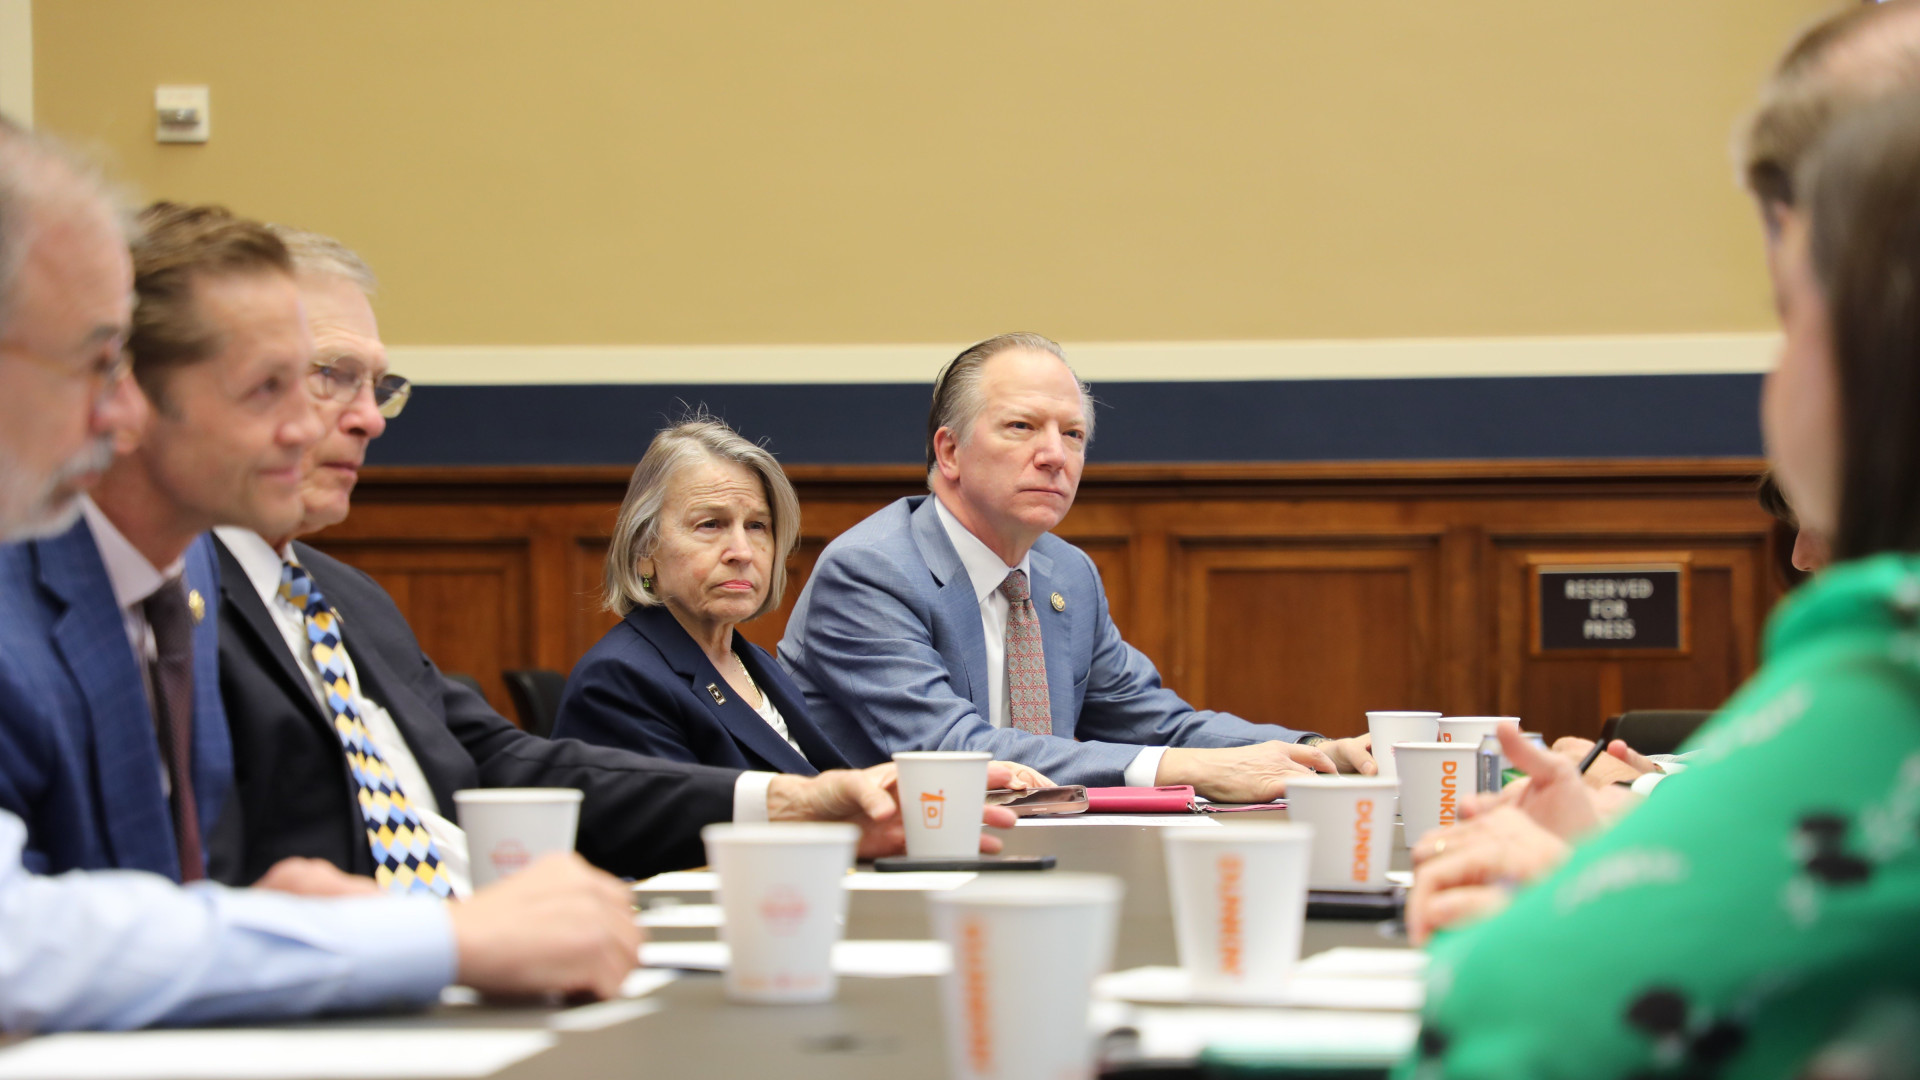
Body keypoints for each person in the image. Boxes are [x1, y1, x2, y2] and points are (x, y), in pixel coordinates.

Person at [0, 122, 638, 1031]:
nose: (313, 428)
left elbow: (154, 899)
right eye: (272, 389)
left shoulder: (179, 588)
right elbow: (19, 941)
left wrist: (279, 913)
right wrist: (433, 941)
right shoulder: (40, 587)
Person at [211, 228, 1015, 892]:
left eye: (378, 386)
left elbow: (501, 760)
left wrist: (791, 802)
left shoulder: (347, 599)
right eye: (330, 376)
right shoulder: (182, 599)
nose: (371, 420)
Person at [1400, 89, 1920, 1077]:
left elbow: (1511, 1029)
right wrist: (1604, 865)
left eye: (1788, 317)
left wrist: (1572, 899)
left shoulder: (1897, 653)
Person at [778, 332, 1375, 798]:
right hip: (887, 873)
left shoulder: (1067, 574)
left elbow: (1155, 723)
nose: (1054, 456)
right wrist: (1189, 768)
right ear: (950, 451)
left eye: (1073, 434)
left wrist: (1317, 748)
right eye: (1022, 427)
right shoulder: (869, 571)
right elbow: (950, 751)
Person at [553, 416, 1055, 788]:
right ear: (645, 550)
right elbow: (676, 841)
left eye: (757, 527)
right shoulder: (621, 679)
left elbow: (823, 788)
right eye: (710, 525)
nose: (742, 552)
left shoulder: (752, 664)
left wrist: (958, 780)